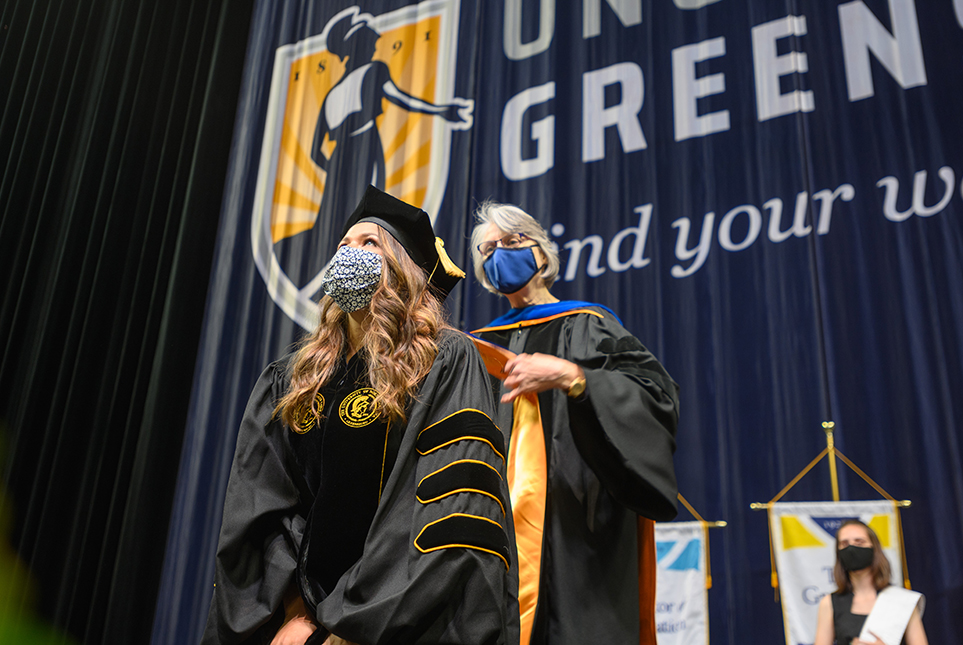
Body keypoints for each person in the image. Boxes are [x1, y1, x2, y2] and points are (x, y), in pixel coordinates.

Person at [202, 186, 518, 645]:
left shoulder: (443, 359)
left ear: (403, 269)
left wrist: (353, 623)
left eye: (370, 242)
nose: (350, 253)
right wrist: (298, 613)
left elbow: (449, 507)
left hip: (405, 619)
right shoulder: (294, 378)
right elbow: (265, 509)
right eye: (343, 244)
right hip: (302, 626)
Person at [468, 202, 679, 645]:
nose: (499, 253)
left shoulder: (589, 324)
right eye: (488, 249)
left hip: (578, 526)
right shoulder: (476, 348)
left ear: (541, 253)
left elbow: (656, 398)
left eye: (511, 241)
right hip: (496, 529)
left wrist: (574, 377)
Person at [279, 6, 474, 282]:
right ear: (357, 45)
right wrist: (441, 110)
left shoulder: (332, 94)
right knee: (368, 217)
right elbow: (402, 99)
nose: (374, 46)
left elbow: (314, 150)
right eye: (370, 41)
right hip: (366, 147)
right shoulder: (374, 70)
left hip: (338, 157)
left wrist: (334, 169)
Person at [813, 520, 928, 645]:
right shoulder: (829, 603)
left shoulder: (902, 601)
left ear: (874, 548)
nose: (851, 549)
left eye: (859, 542)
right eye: (844, 544)